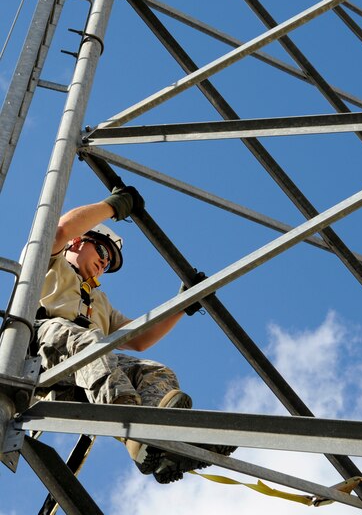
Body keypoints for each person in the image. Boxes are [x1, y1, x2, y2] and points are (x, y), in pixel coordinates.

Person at [34, 186, 233, 484]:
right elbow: (60, 230)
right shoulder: (49, 264)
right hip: (39, 354)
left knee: (154, 371)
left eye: (109, 264)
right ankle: (130, 423)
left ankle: (167, 443)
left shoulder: (99, 302)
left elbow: (139, 337)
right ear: (78, 243)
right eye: (102, 251)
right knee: (89, 343)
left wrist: (182, 306)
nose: (105, 263)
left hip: (83, 378)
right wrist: (111, 206)